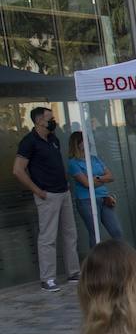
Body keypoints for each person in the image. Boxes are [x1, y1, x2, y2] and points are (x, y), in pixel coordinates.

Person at [14, 106, 78, 292]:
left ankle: (73, 272)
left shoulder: (53, 139)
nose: (53, 121)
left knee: (70, 234)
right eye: (50, 118)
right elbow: (18, 170)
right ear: (39, 121)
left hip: (63, 192)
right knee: (48, 237)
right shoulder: (29, 142)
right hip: (47, 195)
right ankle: (48, 278)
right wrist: (38, 191)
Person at [68, 130, 123, 244]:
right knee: (96, 233)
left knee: (116, 231)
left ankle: (121, 258)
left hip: (103, 198)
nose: (88, 143)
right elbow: (86, 184)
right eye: (85, 141)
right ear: (78, 144)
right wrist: (103, 179)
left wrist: (96, 179)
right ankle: (96, 261)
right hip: (86, 200)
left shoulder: (95, 159)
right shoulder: (73, 163)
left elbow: (111, 176)